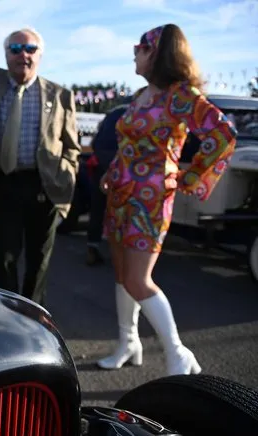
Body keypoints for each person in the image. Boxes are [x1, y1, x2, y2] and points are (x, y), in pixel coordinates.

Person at [96, 24, 237, 375]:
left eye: (142, 45)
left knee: (138, 279)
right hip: (119, 197)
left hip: (150, 201)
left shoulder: (179, 95)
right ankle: (128, 343)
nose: (134, 49)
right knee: (120, 274)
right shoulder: (142, 96)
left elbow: (222, 134)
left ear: (159, 53)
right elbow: (130, 145)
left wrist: (189, 177)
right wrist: (111, 172)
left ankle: (178, 353)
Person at [0, 27, 80, 305]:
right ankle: (8, 311)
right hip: (4, 182)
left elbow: (71, 146)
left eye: (30, 49)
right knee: (5, 256)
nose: (23, 55)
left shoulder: (59, 95)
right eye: (16, 49)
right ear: (6, 55)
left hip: (43, 185)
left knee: (39, 258)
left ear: (40, 55)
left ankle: (32, 315)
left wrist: (65, 175)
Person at [86, 104, 128, 266]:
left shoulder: (114, 113)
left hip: (101, 165)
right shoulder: (138, 114)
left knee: (97, 208)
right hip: (124, 168)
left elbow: (96, 142)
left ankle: (92, 247)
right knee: (121, 211)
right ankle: (122, 253)